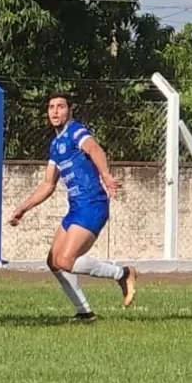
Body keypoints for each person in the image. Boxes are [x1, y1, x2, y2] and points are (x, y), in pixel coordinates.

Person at [9, 93, 136, 321]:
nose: (55, 111)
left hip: (92, 203)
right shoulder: (56, 144)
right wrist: (23, 208)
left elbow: (95, 149)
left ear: (70, 111)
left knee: (66, 260)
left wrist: (105, 175)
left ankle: (122, 273)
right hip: (76, 208)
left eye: (60, 107)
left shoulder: (75, 131)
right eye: (51, 107)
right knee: (54, 261)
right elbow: (48, 184)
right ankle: (84, 312)